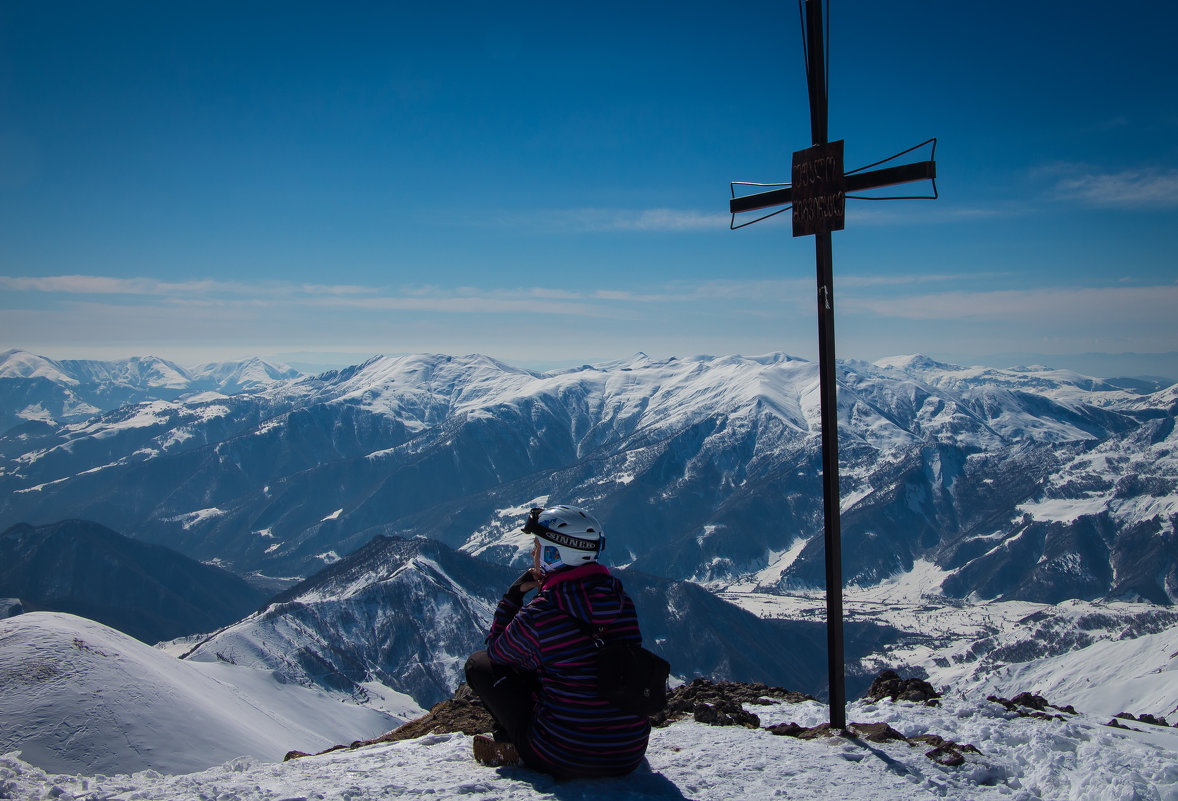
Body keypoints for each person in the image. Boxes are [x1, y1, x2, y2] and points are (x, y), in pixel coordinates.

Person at [464, 505, 651, 778]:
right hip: (629, 753)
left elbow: (497, 652)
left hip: (562, 756)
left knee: (478, 665)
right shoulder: (621, 601)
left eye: (538, 547)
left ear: (555, 554)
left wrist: (513, 597)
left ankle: (510, 743)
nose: (533, 553)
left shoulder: (542, 613)